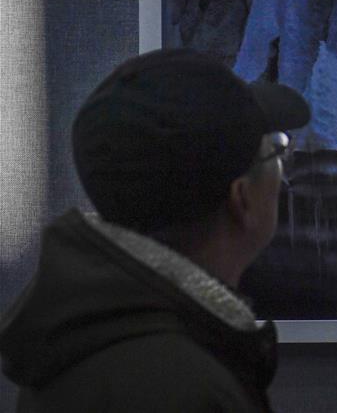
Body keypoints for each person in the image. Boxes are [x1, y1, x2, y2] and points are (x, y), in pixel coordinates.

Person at [0, 49, 310, 412]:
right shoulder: (184, 388)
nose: (282, 167)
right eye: (275, 149)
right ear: (241, 197)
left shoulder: (80, 340)